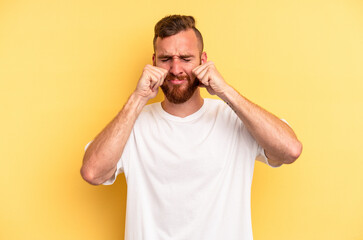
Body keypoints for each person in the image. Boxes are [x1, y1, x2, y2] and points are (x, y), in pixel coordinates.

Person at [81, 15, 302, 240]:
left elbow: (290, 150)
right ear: (154, 61)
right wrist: (138, 98)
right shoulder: (133, 124)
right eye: (166, 59)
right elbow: (92, 172)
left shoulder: (235, 118)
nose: (176, 69)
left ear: (203, 61)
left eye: (186, 58)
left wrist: (226, 92)